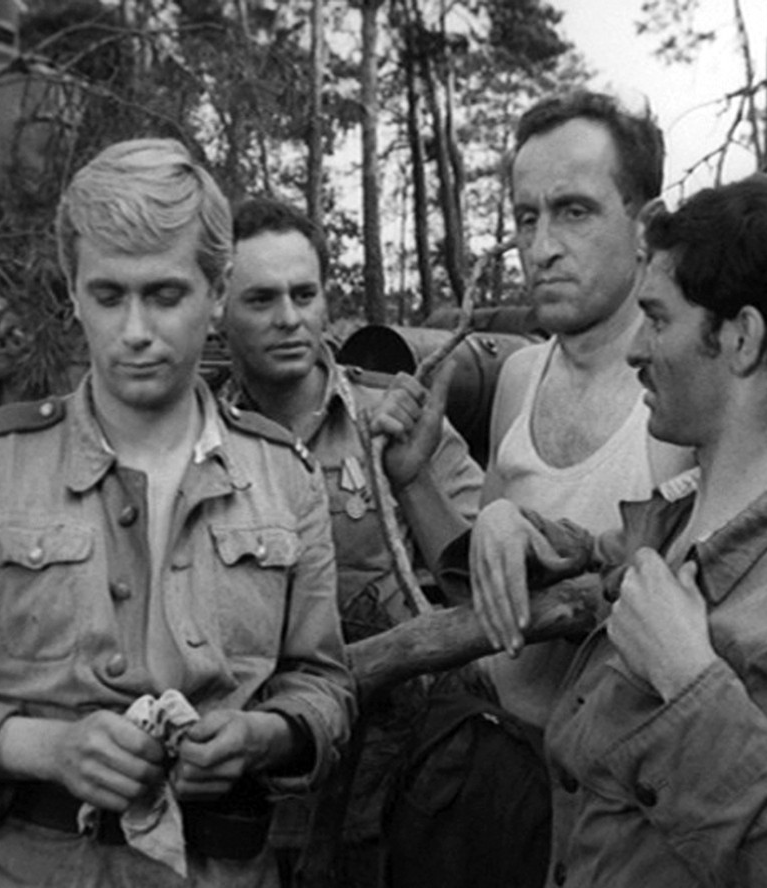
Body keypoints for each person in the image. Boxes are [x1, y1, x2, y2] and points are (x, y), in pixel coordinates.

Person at [0, 140, 354, 888]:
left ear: (217, 293)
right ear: (74, 293)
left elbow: (325, 686)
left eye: (166, 295)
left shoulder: (285, 477)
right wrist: (42, 749)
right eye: (109, 296)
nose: (136, 330)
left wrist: (265, 735)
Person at [471, 174, 767, 886]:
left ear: (741, 338)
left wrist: (689, 682)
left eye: (658, 320)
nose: (636, 350)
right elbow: (619, 557)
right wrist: (519, 527)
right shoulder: (692, 506)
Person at [476, 89, 767, 731]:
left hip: (632, 754)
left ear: (646, 224)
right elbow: (520, 583)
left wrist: (689, 673)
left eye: (574, 211)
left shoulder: (696, 386)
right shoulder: (519, 376)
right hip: (505, 740)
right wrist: (495, 518)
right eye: (526, 218)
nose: (541, 247)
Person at [215, 197, 484, 886]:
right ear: (218, 308)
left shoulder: (392, 416)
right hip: (241, 795)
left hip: (395, 792)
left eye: (304, 295)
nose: (289, 318)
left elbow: (481, 582)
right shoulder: (196, 440)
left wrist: (411, 476)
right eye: (261, 299)